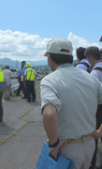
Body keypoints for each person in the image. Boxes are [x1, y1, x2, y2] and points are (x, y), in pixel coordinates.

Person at [40, 37, 102, 169]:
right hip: (89, 145)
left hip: (67, 150)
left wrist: (53, 143)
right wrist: (100, 131)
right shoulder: (90, 78)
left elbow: (49, 114)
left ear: (49, 58)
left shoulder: (50, 80)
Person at [85, 46, 102, 169]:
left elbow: (91, 96)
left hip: (99, 109)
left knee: (95, 136)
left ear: (91, 58)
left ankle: (92, 163)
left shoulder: (95, 74)